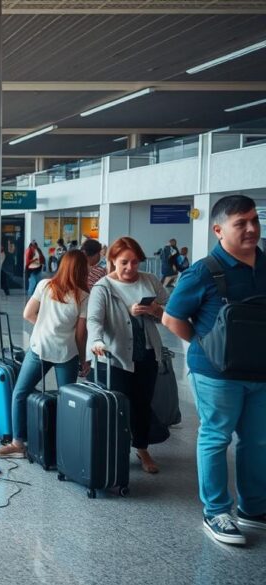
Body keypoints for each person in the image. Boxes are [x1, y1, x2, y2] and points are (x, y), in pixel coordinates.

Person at [162, 195, 266, 546]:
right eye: (241, 223)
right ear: (219, 230)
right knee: (217, 436)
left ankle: (253, 508)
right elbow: (171, 318)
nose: (251, 228)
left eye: (254, 220)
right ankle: (217, 511)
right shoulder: (204, 271)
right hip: (216, 374)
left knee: (257, 440)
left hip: (260, 372)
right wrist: (204, 346)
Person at [0, 250, 90, 458]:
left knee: (20, 393)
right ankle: (65, 449)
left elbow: (28, 314)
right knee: (67, 400)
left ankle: (17, 443)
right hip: (67, 353)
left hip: (39, 348)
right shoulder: (83, 296)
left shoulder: (45, 285)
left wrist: (45, 327)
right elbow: (81, 335)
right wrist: (84, 360)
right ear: (82, 270)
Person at [87, 237, 169, 475]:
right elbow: (94, 320)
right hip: (116, 356)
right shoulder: (103, 287)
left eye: (135, 262)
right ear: (112, 260)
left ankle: (142, 448)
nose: (130, 268)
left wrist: (154, 310)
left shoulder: (150, 280)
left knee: (143, 404)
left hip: (147, 353)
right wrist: (97, 340)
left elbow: (171, 311)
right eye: (124, 262)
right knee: (118, 406)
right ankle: (115, 449)